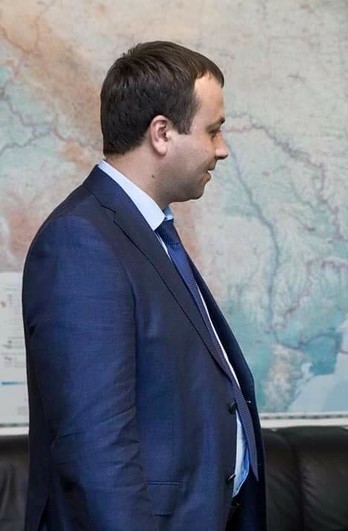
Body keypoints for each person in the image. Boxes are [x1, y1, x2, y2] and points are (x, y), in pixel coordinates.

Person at [22, 41, 265, 530]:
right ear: (162, 133)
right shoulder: (81, 241)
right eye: (213, 130)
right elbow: (96, 446)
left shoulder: (145, 231)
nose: (221, 149)